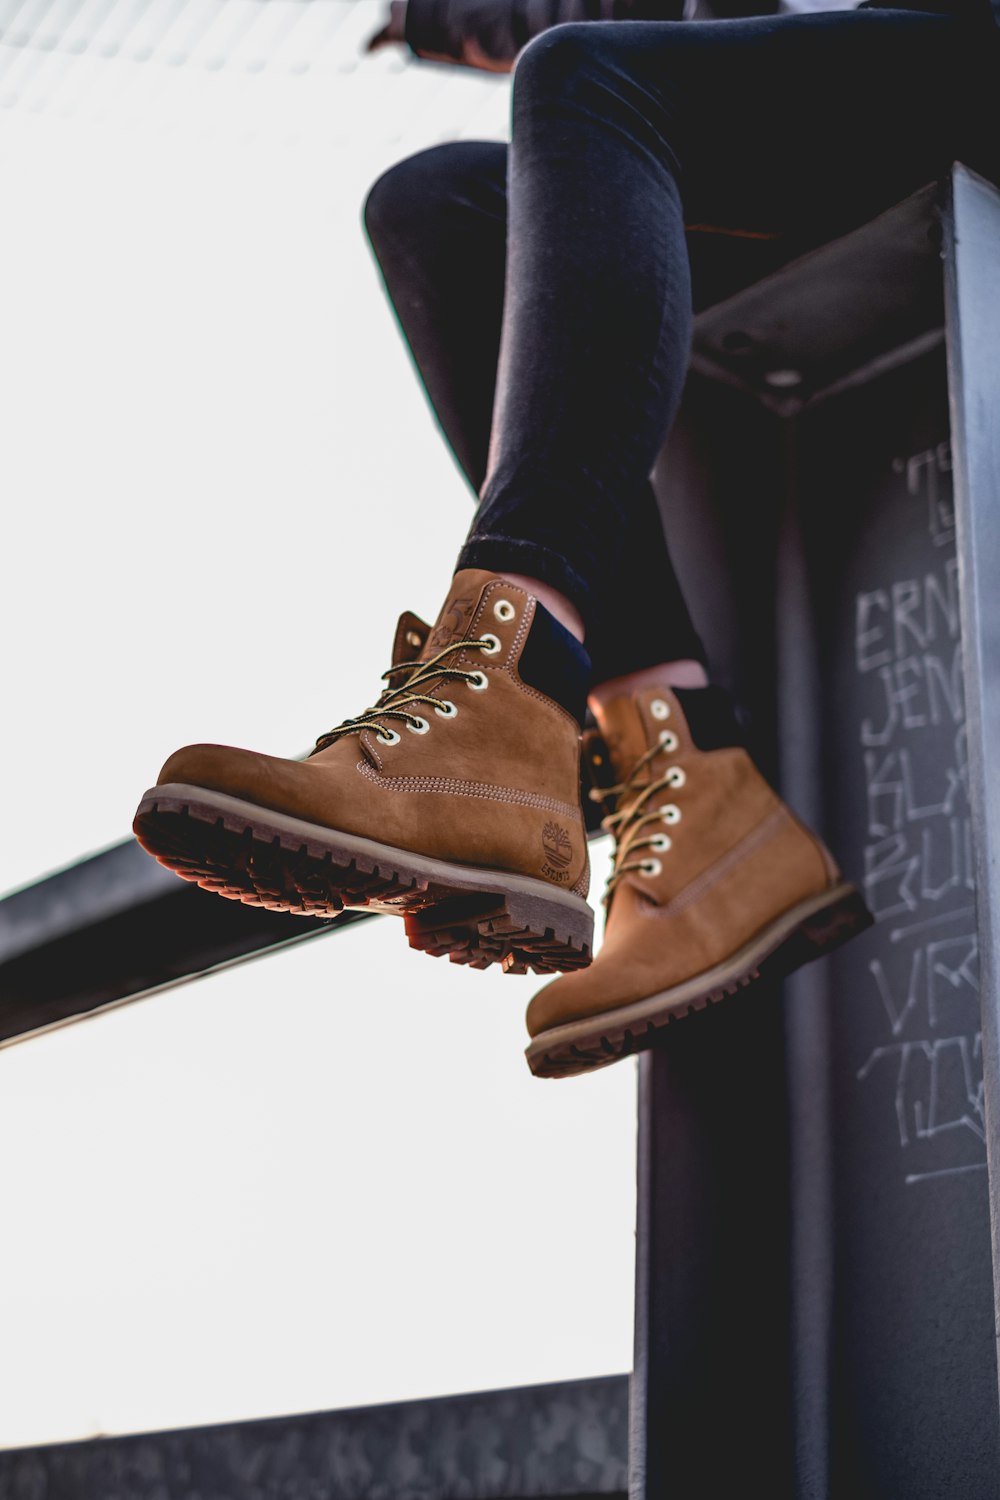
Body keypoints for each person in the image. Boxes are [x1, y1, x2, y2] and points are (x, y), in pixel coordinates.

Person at [133, 0, 999, 1078]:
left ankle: (511, 687)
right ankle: (694, 772)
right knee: (435, 203)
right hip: (828, 118)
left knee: (588, 79)